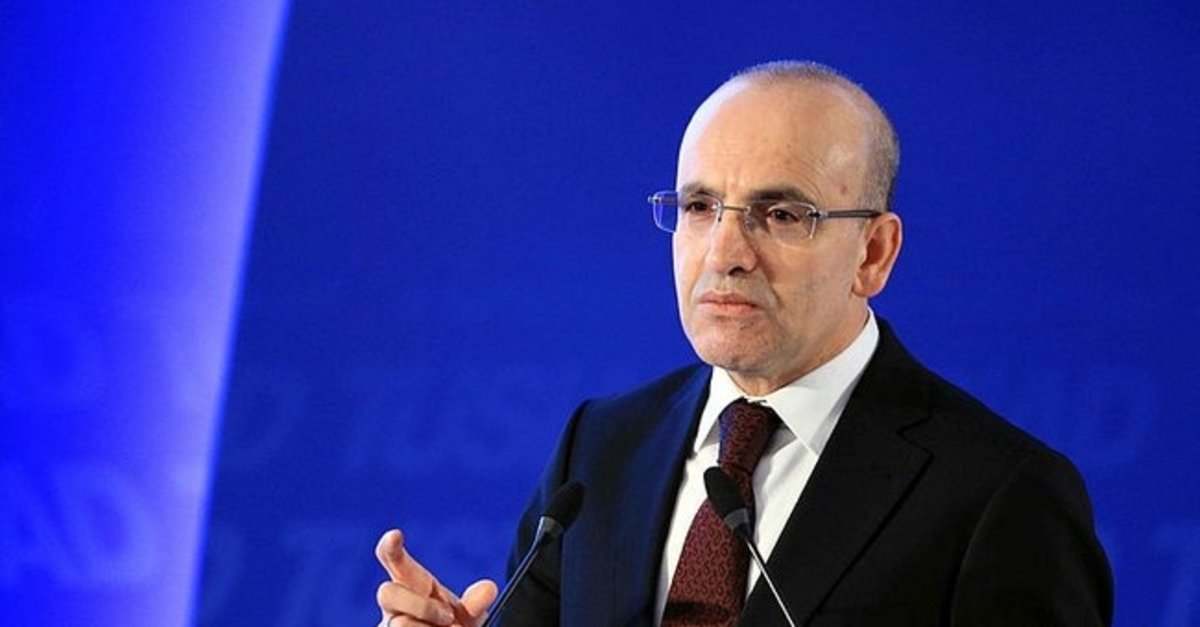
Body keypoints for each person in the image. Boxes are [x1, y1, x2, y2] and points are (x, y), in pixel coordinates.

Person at [374, 60, 1114, 626]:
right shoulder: (600, 448)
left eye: (782, 214)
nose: (724, 252)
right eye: (700, 206)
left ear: (873, 253)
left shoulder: (1000, 493)